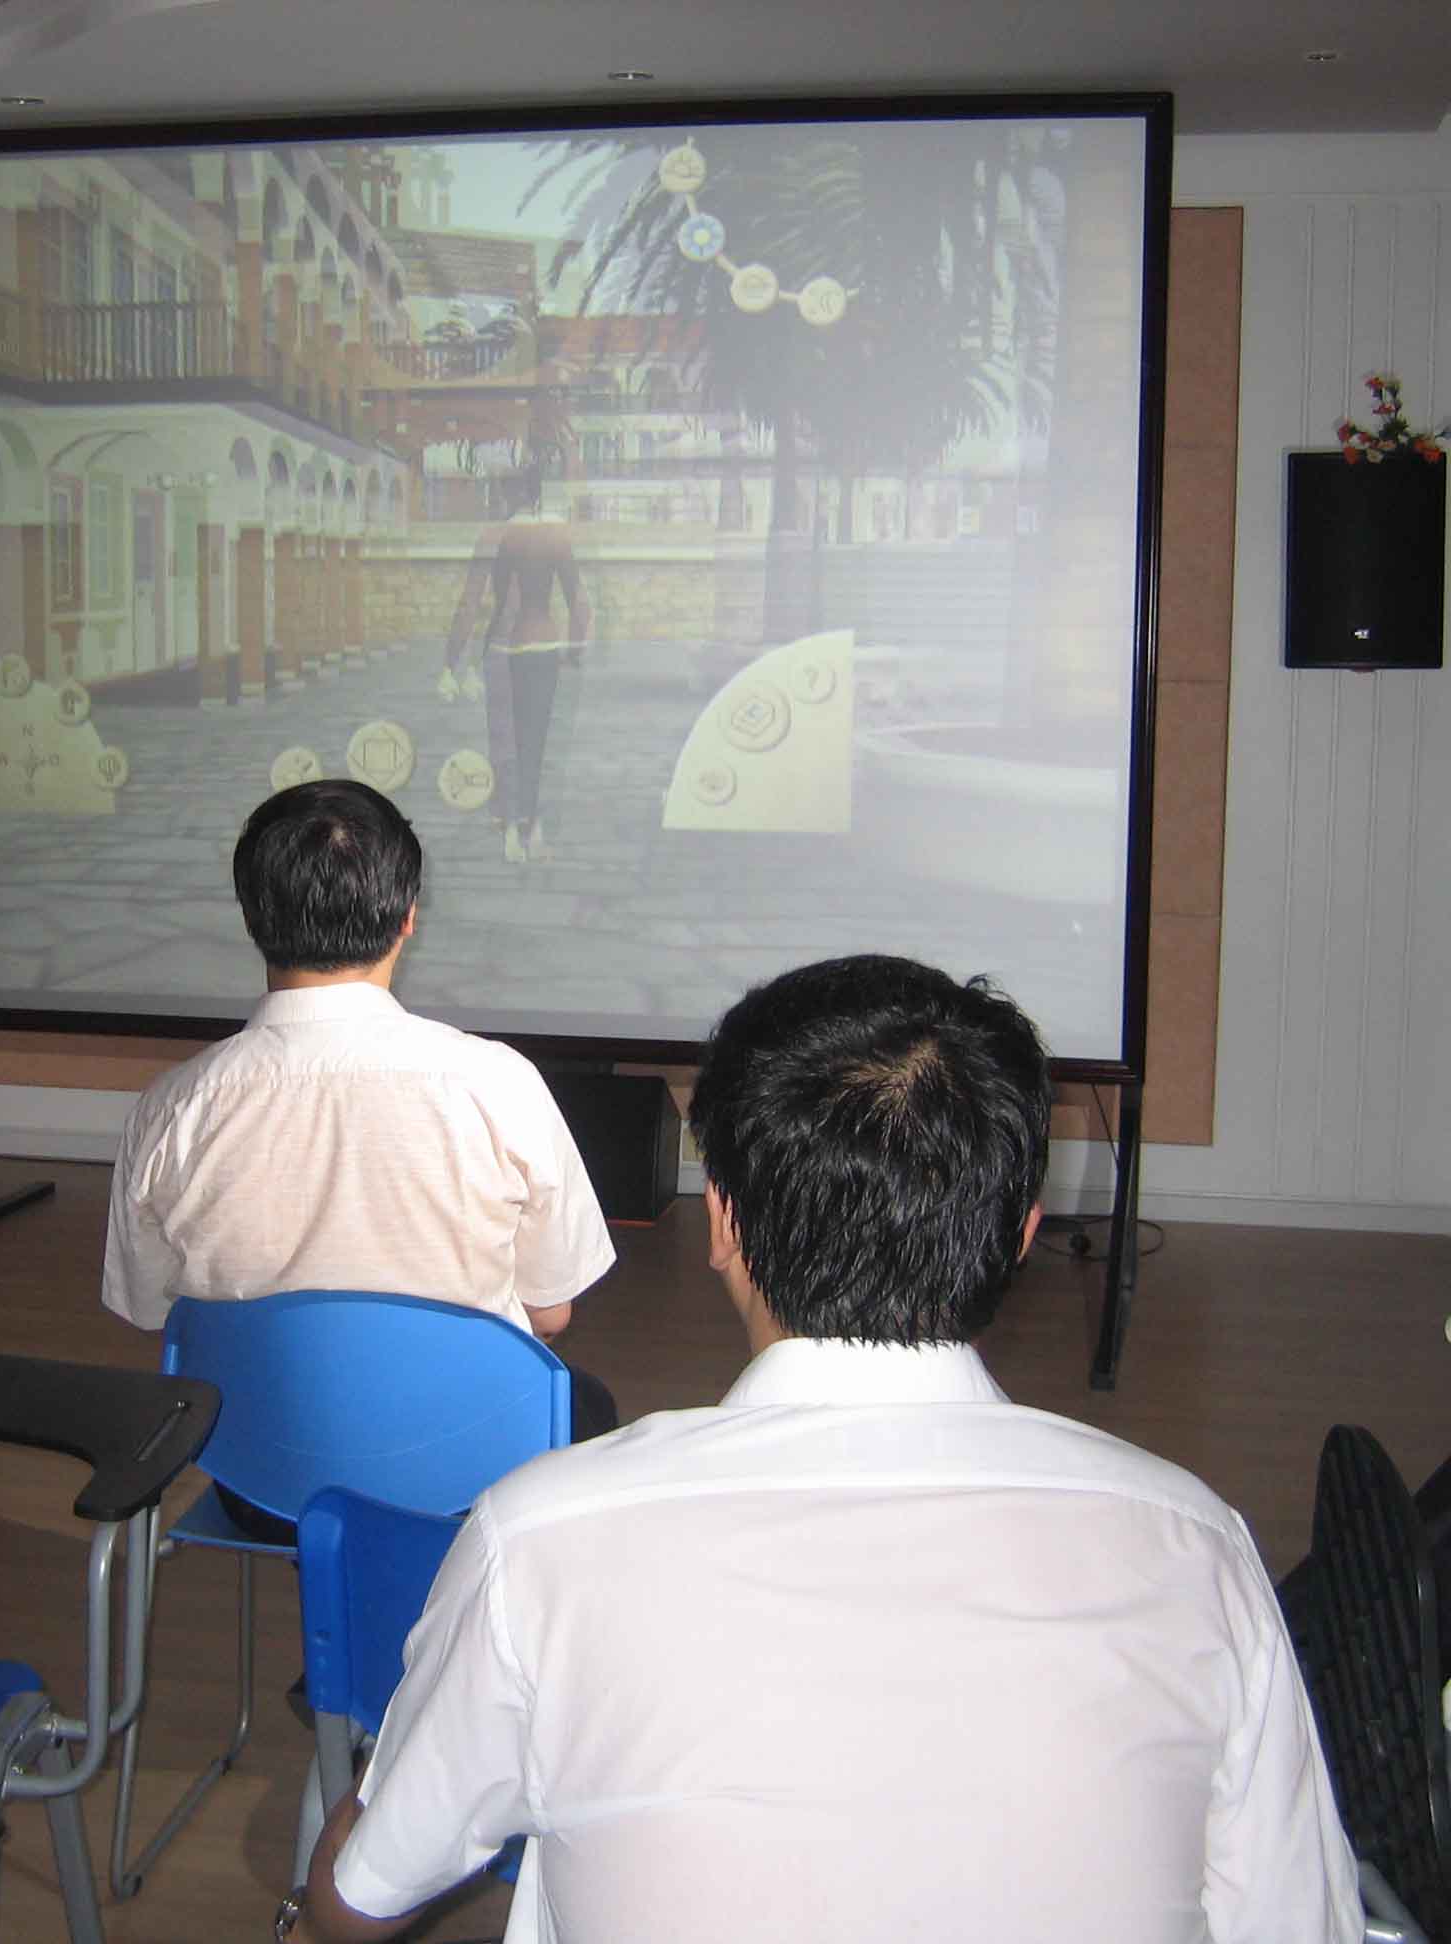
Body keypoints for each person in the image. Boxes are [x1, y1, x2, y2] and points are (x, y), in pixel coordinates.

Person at [304, 954, 1360, 1943]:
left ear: (723, 1223)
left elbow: (362, 1895)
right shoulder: (1198, 1548)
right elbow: (1297, 1918)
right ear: (1021, 1233)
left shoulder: (540, 1540)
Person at [101, 779, 617, 1432]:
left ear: (250, 918)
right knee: (583, 1401)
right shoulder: (500, 1086)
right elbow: (550, 1313)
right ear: (408, 917)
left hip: (258, 1460)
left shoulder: (170, 1110)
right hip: (465, 1450)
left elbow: (152, 1312)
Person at [439, 470, 590, 864]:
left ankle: (509, 828)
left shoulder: (494, 536)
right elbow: (580, 602)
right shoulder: (556, 537)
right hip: (544, 645)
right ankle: (532, 827)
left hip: (504, 647)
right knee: (534, 740)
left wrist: (452, 660)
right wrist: (574, 649)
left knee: (504, 739)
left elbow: (470, 601)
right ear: (536, 498)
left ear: (505, 498)